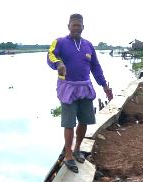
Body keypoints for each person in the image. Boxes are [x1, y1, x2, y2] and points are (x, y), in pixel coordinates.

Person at [47, 13, 113, 173]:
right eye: (73, 25)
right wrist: (59, 64)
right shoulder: (60, 42)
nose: (76, 28)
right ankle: (68, 154)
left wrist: (104, 86)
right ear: (68, 26)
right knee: (69, 123)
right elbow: (50, 56)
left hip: (85, 87)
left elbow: (96, 67)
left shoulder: (88, 45)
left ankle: (77, 149)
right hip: (67, 87)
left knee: (84, 121)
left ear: (83, 27)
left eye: (79, 25)